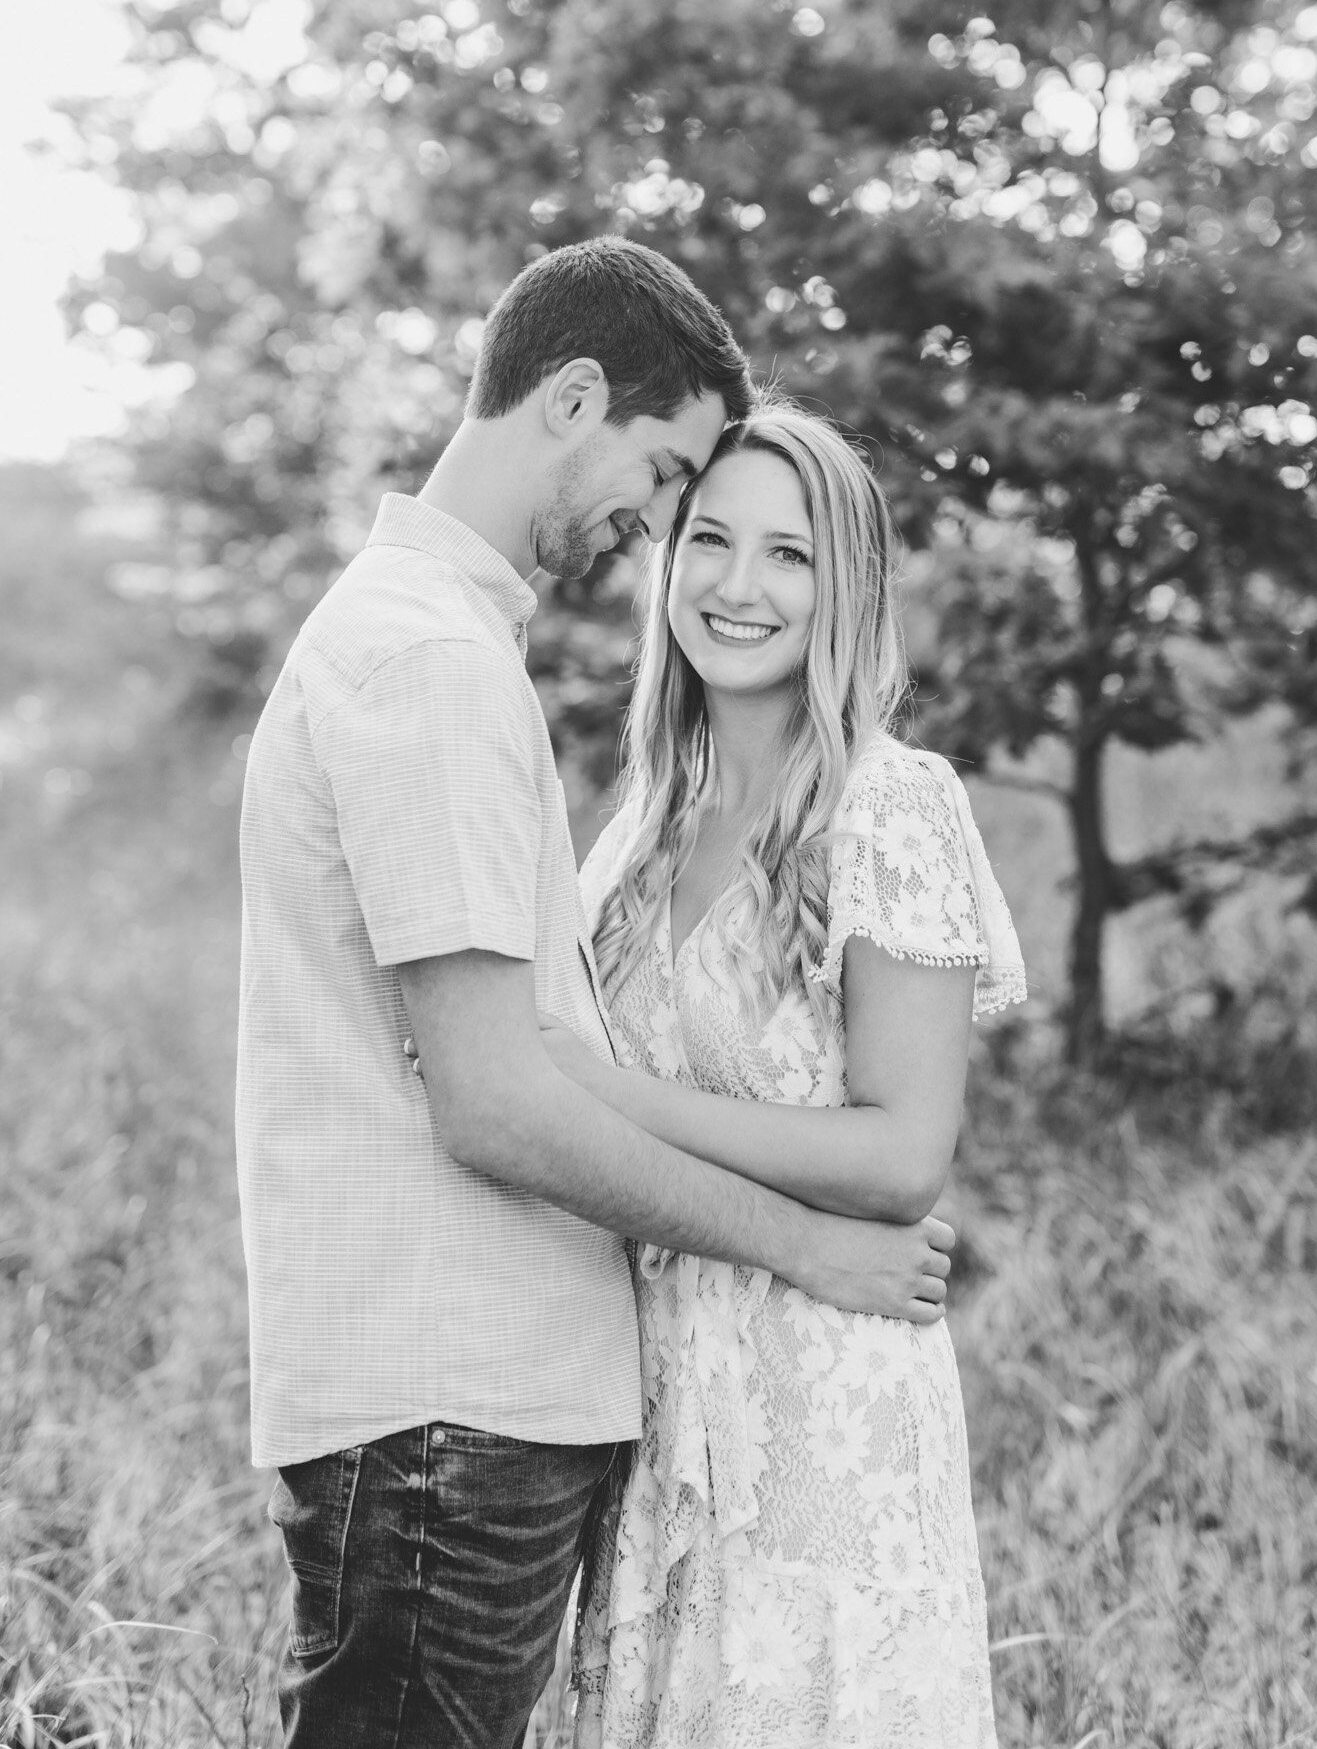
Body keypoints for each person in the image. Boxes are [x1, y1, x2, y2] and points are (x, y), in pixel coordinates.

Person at [236, 238, 957, 1749]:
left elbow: (892, 1137)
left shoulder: (452, 653)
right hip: (451, 1389)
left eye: (783, 549)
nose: (660, 532)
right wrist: (801, 1246)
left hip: (603, 1404)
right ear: (571, 398)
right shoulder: (434, 664)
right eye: (677, 489)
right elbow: (499, 1099)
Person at [547, 399, 1026, 1747]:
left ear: (845, 589)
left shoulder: (891, 803)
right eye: (708, 539)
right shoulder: (639, 825)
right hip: (650, 1391)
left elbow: (901, 1154)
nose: (737, 587)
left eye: (790, 555)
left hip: (827, 1397)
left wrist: (601, 1094)